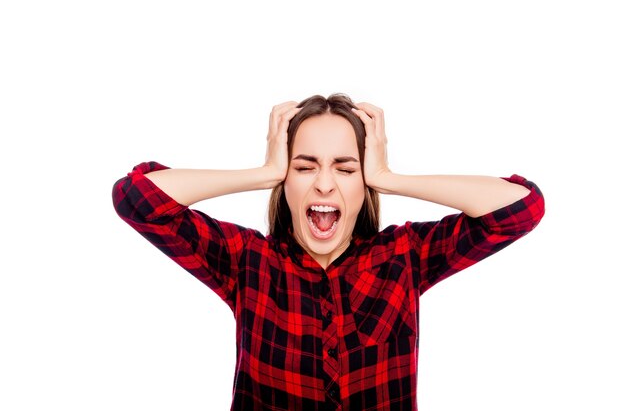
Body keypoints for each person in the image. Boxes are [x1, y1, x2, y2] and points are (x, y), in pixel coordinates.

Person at [112, 93, 545, 410]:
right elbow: (137, 200)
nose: (323, 183)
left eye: (346, 167)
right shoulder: (248, 261)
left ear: (364, 184)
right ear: (287, 181)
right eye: (303, 167)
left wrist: (388, 176)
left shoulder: (404, 255)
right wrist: (263, 172)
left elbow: (521, 208)